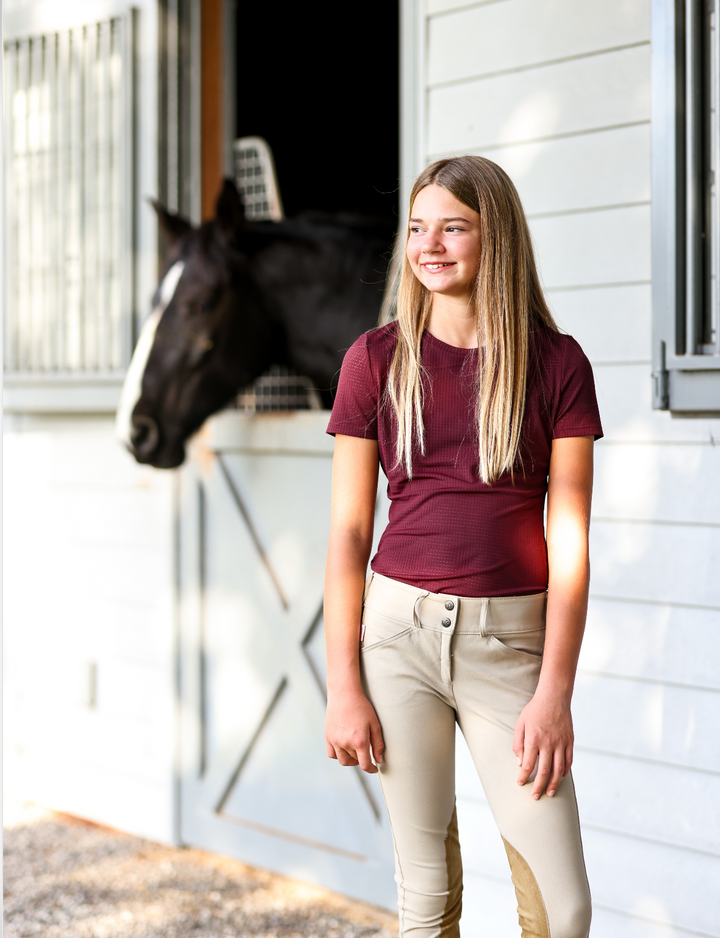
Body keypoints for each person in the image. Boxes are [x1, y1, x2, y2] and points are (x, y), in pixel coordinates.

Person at [323, 156, 602, 938]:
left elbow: (570, 540)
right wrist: (342, 685)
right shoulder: (374, 360)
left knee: (564, 910)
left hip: (508, 644)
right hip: (397, 639)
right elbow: (348, 533)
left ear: (495, 238)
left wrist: (555, 693)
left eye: (453, 228)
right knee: (427, 896)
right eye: (418, 228)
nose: (430, 245)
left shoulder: (557, 364)